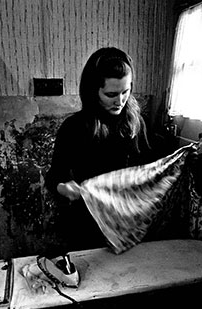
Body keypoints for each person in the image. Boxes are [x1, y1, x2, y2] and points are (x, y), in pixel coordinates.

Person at [45, 47, 155, 252]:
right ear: (92, 90)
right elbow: (54, 176)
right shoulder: (74, 127)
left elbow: (148, 168)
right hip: (88, 224)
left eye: (126, 91)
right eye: (111, 94)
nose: (120, 101)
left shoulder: (137, 123)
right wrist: (63, 187)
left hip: (129, 222)